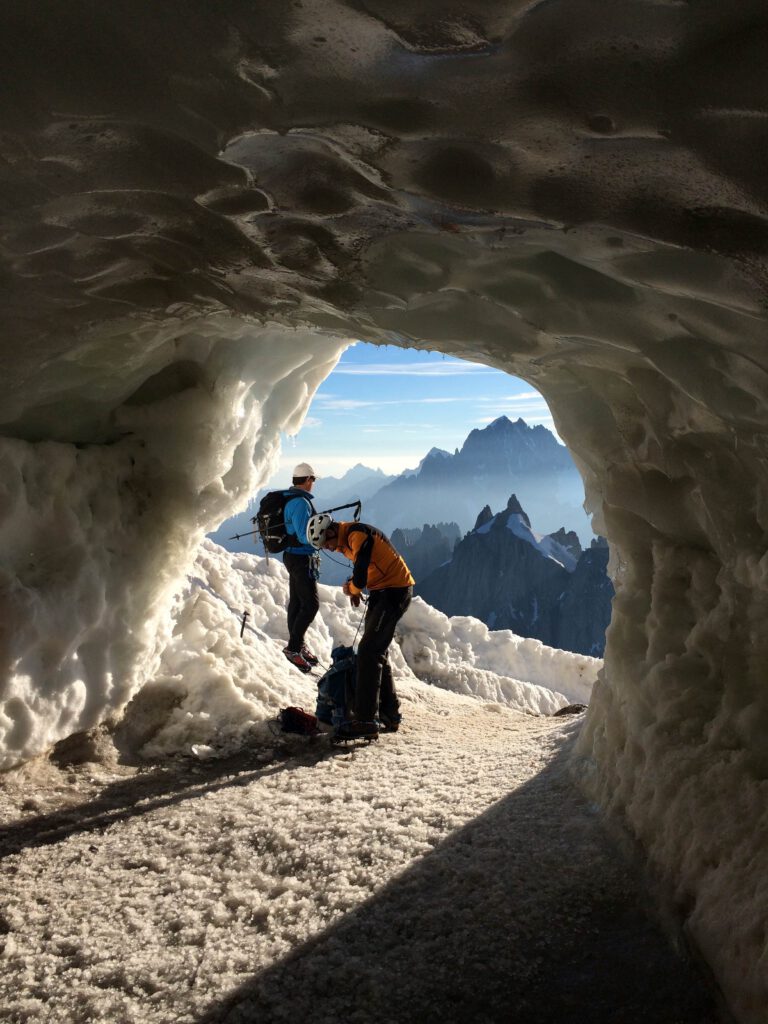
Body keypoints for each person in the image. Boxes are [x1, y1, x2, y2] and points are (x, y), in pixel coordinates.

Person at [306, 513, 414, 739]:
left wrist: (353, 589)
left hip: (393, 592)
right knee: (376, 652)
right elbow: (361, 571)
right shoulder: (347, 538)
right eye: (323, 546)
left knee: (368, 652)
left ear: (333, 530)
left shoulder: (356, 535)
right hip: (384, 591)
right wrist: (354, 586)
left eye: (326, 542)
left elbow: (361, 576)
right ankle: (389, 713)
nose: (328, 548)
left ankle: (366, 720)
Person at [281, 462, 321, 673]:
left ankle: (298, 644)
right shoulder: (300, 503)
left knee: (297, 602)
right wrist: (321, 537)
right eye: (312, 480)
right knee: (311, 605)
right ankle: (294, 648)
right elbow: (304, 534)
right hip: (301, 558)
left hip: (292, 556)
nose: (313, 484)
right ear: (307, 480)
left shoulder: (292, 499)